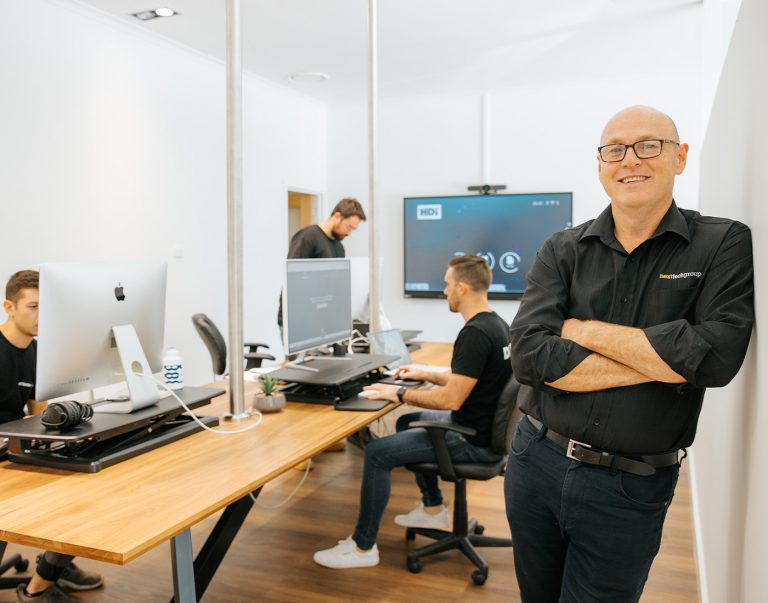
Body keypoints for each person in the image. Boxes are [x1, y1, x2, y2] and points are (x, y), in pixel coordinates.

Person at [506, 106, 754, 602]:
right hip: (535, 461)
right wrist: (660, 361)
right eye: (614, 150)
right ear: (600, 165)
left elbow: (714, 360)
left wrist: (583, 330)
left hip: (631, 485)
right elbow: (530, 358)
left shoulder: (721, 242)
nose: (629, 161)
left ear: (679, 157)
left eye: (648, 145)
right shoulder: (562, 248)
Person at [313, 255, 512, 569]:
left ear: (461, 288)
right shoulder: (497, 324)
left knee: (377, 453)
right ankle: (433, 508)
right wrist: (426, 373)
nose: (444, 292)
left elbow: (451, 400)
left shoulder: (474, 334)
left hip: (470, 441)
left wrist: (399, 392)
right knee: (408, 420)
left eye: (447, 285)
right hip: (486, 433)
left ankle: (363, 548)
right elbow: (469, 380)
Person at [0, 270, 105, 603]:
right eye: (33, 306)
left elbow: (37, 412)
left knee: (84, 485)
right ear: (9, 307)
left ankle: (51, 567)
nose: (40, 317)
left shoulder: (36, 351)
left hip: (14, 449)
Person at [277, 197, 367, 332]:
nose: (349, 233)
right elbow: (293, 279)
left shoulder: (339, 247)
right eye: (348, 227)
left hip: (321, 319)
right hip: (298, 320)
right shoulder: (308, 237)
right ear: (337, 216)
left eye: (353, 229)